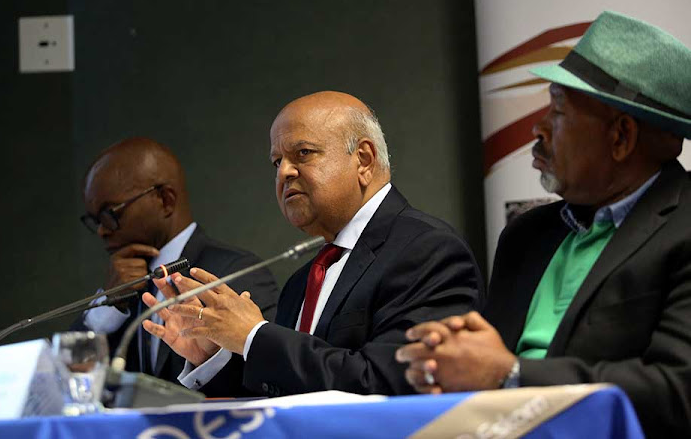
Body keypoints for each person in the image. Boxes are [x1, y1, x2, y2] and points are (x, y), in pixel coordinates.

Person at [396, 11, 691, 437]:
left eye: (557, 111)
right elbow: (490, 367)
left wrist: (510, 374)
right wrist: (452, 364)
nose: (537, 128)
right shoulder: (526, 234)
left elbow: (677, 393)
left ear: (621, 137)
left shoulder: (684, 228)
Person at [141, 91, 485, 397]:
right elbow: (287, 392)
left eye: (303, 153)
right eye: (277, 162)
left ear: (363, 160)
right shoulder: (302, 282)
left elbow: (392, 381)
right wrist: (211, 357)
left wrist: (255, 336)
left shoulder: (427, 250)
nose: (284, 172)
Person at [73, 137, 280, 383]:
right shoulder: (121, 283)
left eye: (110, 214)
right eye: (94, 220)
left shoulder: (237, 272)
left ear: (165, 200)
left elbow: (262, 379)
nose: (102, 231)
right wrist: (109, 304)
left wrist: (204, 359)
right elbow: (69, 372)